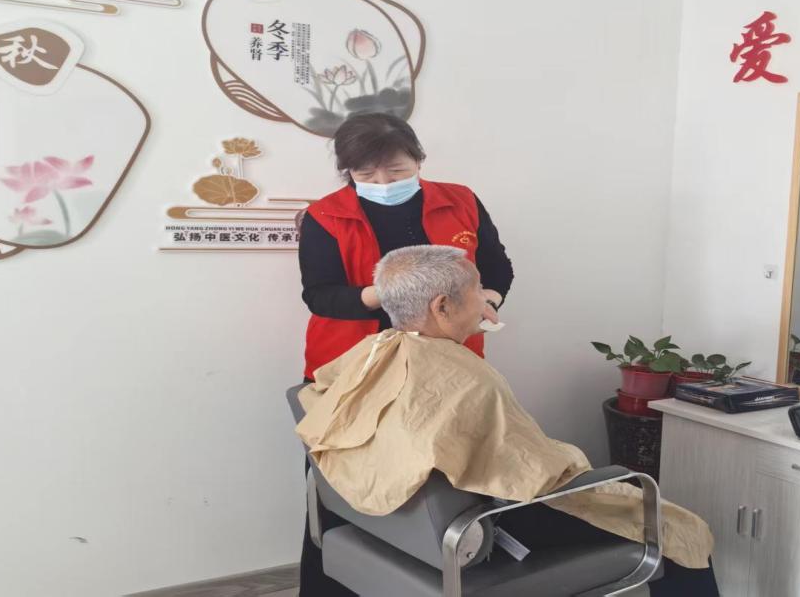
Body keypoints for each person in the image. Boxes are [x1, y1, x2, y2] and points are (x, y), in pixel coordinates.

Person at [296, 246, 720, 596]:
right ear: (442, 306)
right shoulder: (466, 380)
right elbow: (532, 477)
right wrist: (579, 468)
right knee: (679, 527)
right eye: (478, 289)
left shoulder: (372, 353)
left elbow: (322, 402)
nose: (485, 299)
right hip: (488, 521)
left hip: (415, 527)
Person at [296, 113, 514, 596]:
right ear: (348, 172)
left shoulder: (461, 201)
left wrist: (487, 299)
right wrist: (391, 292)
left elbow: (497, 267)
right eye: (366, 174)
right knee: (342, 488)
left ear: (418, 159)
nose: (383, 183)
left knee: (441, 485)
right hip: (355, 368)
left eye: (396, 170)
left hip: (445, 366)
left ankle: (437, 578)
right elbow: (320, 295)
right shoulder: (325, 216)